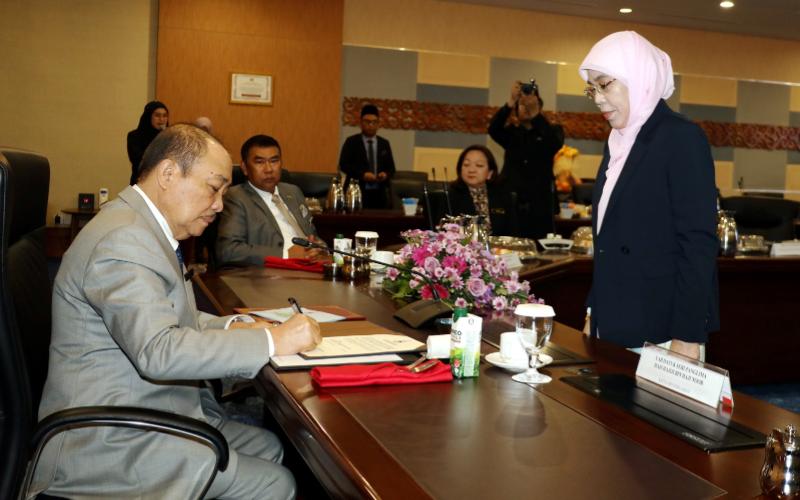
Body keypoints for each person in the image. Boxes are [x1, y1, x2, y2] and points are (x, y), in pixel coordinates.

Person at [36, 124, 321, 499]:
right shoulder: (123, 239)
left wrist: (237, 326)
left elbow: (170, 315)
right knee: (277, 483)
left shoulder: (141, 227)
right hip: (110, 441)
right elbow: (159, 350)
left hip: (149, 411)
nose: (219, 204)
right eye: (214, 188)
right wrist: (271, 341)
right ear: (169, 174)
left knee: (270, 446)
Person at [579, 31, 719, 360]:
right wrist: (592, 311)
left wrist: (687, 334)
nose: (598, 99)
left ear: (637, 75)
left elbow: (697, 244)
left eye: (605, 84)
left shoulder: (680, 137)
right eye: (592, 89)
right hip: (612, 322)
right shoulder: (618, 142)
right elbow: (608, 240)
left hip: (664, 332)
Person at [217, 134, 326, 267]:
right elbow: (229, 250)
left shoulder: (293, 192)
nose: (268, 169)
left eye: (274, 161)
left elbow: (312, 236)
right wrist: (286, 254)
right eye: (259, 162)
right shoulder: (236, 197)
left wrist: (321, 248)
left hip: (311, 266)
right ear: (245, 168)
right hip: (274, 272)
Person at [488, 80, 564, 239]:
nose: (526, 108)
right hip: (512, 201)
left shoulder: (552, 131)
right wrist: (511, 101)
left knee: (541, 245)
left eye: (530, 105)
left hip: (541, 203)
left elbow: (554, 143)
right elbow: (493, 129)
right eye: (522, 105)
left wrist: (536, 116)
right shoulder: (511, 132)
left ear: (539, 108)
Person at [448, 144, 517, 236]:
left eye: (479, 165)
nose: (471, 170)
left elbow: (513, 231)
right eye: (466, 165)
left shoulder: (501, 194)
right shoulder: (451, 195)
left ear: (490, 173)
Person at [338, 103, 396, 208]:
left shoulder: (384, 143)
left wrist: (385, 174)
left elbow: (391, 168)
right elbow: (343, 165)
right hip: (356, 191)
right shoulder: (351, 141)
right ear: (361, 122)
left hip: (379, 194)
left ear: (378, 124)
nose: (371, 125)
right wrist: (362, 175)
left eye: (374, 122)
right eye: (367, 122)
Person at [127, 100, 169, 185]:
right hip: (141, 182)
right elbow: (139, 161)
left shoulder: (170, 136)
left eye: (165, 116)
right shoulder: (134, 136)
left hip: (164, 184)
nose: (161, 119)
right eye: (157, 115)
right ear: (148, 117)